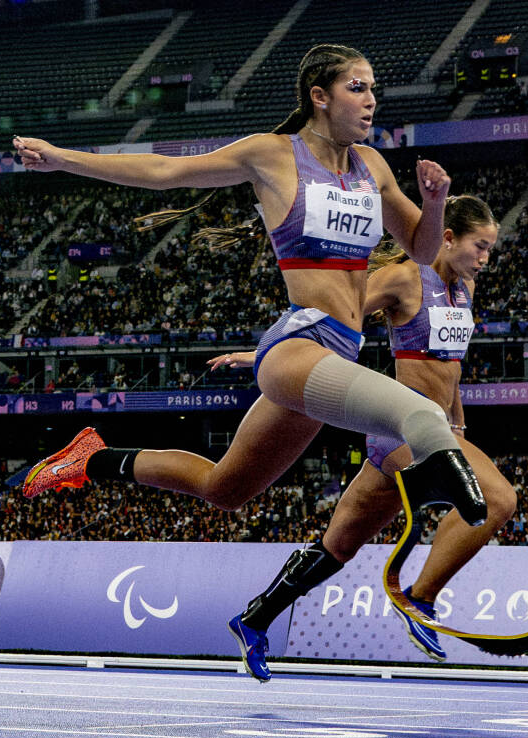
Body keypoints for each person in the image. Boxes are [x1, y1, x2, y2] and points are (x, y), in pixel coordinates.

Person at [15, 44, 487, 665]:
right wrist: (60, 159)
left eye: (373, 88)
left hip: (338, 356)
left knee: (225, 489)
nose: (371, 100)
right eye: (357, 88)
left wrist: (432, 202)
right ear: (320, 97)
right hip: (300, 344)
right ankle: (470, 503)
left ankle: (94, 460)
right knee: (421, 419)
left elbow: (423, 251)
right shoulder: (272, 154)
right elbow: (163, 172)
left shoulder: (372, 166)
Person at [209, 195, 511, 674]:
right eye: (480, 246)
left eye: (490, 249)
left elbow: (451, 371)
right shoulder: (404, 278)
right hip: (400, 430)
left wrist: (458, 426)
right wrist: (265, 353)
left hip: (434, 432)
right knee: (499, 499)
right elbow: (334, 315)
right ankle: (419, 597)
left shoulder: (465, 289)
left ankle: (253, 619)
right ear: (448, 237)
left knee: (339, 546)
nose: (485, 258)